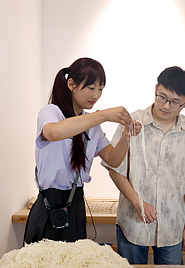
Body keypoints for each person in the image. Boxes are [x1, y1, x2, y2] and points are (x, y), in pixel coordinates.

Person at [24, 57, 140, 244]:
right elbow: (53, 133)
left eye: (101, 89)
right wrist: (103, 115)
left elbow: (113, 159)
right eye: (91, 88)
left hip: (76, 204)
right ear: (71, 84)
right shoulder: (51, 112)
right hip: (48, 204)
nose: (96, 95)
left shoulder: (92, 124)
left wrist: (127, 136)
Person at [104, 66, 185, 265]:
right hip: (132, 224)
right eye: (161, 97)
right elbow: (115, 170)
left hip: (172, 228)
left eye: (175, 102)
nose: (166, 105)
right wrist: (137, 202)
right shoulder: (132, 123)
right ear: (156, 88)